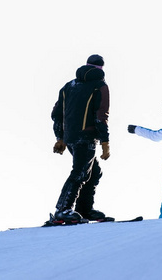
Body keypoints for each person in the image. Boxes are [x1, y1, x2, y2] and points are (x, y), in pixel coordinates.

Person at [51, 54, 111, 223]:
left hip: (70, 137)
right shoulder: (100, 86)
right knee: (81, 172)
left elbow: (57, 115)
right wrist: (105, 142)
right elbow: (101, 116)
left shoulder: (69, 86)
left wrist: (60, 138)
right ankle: (63, 209)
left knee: (93, 172)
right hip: (86, 137)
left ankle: (84, 209)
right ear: (101, 68)